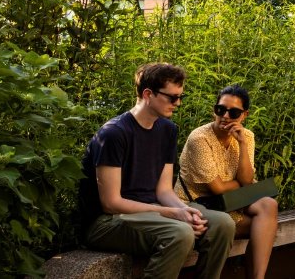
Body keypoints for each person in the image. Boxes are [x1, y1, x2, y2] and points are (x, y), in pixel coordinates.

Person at [77, 63, 235, 279]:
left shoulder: (167, 130)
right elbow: (111, 203)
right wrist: (173, 214)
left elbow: (164, 191)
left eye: (180, 97)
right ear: (148, 94)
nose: (178, 103)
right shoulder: (113, 134)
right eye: (172, 98)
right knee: (179, 233)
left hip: (152, 209)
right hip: (106, 222)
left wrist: (185, 211)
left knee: (223, 224)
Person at [176, 85, 279, 279]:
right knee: (264, 227)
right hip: (197, 204)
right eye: (220, 109)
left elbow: (245, 179)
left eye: (234, 112)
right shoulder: (200, 138)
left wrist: (242, 143)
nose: (225, 116)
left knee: (269, 205)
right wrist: (240, 183)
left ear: (244, 115)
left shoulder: (246, 136)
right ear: (214, 110)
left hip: (229, 202)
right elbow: (218, 188)